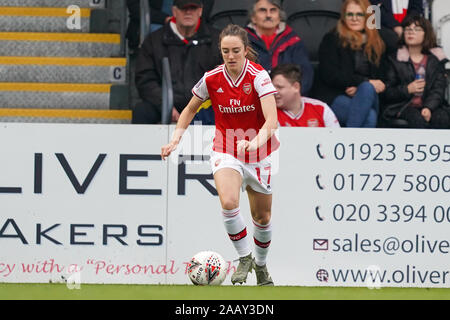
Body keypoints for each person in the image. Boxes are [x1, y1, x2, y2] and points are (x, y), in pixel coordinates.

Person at [161, 24, 279, 286]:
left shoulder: (259, 77)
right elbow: (190, 109)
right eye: (225, 51)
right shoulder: (212, 78)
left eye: (236, 50)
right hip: (226, 147)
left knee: (262, 218)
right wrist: (176, 138)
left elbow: (272, 121)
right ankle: (244, 257)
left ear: (246, 51)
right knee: (228, 202)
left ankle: (261, 266)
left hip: (260, 151)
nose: (231, 55)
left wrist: (254, 142)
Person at [133, 0, 222, 124]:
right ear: (174, 11)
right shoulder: (154, 40)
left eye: (193, 8)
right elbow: (145, 79)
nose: (188, 12)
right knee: (142, 111)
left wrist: (200, 107)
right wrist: (165, 105)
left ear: (200, 11)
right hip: (167, 104)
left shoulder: (218, 40)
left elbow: (226, 77)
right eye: (183, 8)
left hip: (204, 104)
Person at [317, 0, 387, 128]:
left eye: (359, 14)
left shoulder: (376, 42)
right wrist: (362, 82)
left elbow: (381, 80)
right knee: (369, 116)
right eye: (350, 14)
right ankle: (351, 141)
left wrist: (361, 87)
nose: (354, 19)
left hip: (369, 95)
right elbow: (330, 75)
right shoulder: (332, 39)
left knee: (367, 89)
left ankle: (346, 142)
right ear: (344, 17)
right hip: (337, 94)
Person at [383, 15, 450, 129]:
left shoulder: (435, 60)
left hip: (431, 106)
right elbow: (387, 92)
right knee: (416, 119)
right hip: (403, 107)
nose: (411, 32)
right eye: (408, 29)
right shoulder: (394, 60)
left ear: (426, 34)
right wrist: (407, 89)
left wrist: (428, 107)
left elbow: (438, 90)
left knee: (442, 118)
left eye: (416, 29)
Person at [245, 0, 314, 96]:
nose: (268, 15)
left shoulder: (293, 41)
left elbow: (306, 75)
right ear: (253, 18)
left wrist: (290, 96)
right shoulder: (241, 41)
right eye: (262, 10)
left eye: (273, 10)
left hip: (287, 101)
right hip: (252, 99)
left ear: (280, 17)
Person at [271, 64, 340, 128]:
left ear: (296, 87)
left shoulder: (321, 108)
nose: (274, 92)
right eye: (272, 88)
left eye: (279, 87)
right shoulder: (269, 112)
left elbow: (337, 137)